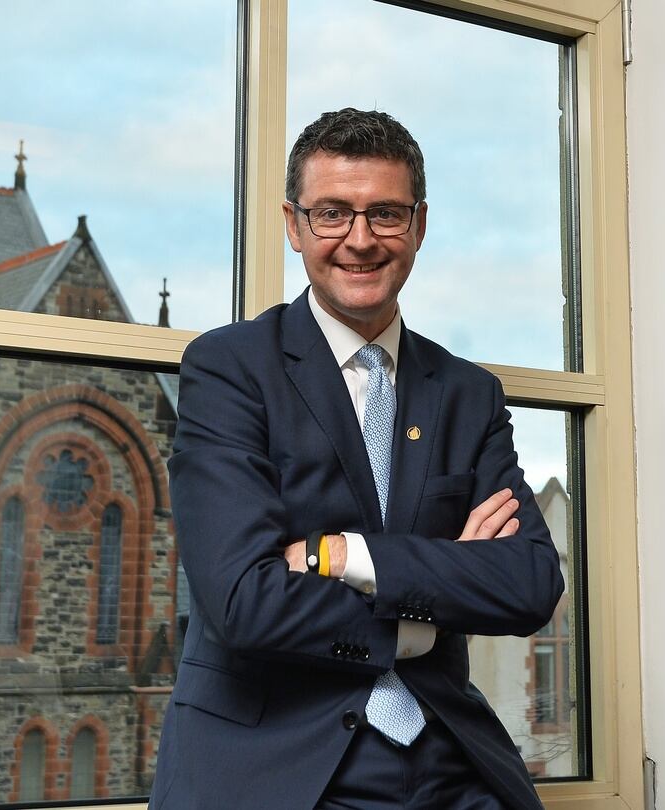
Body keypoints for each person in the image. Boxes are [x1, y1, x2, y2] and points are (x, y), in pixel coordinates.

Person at [151, 108, 564, 810]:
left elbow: (527, 583)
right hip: (278, 768)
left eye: (386, 215)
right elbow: (242, 602)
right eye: (333, 214)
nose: (360, 241)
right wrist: (421, 618)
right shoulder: (228, 369)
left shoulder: (467, 394)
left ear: (420, 225)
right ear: (294, 225)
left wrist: (341, 555)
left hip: (451, 762)